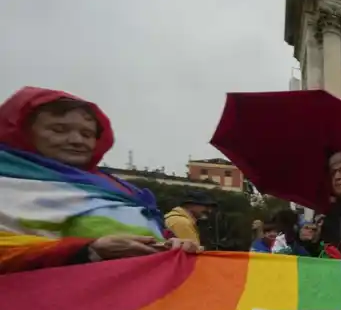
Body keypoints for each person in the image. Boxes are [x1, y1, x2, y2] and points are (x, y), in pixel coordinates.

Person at [0, 87, 199, 273]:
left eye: (87, 134)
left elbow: (150, 231)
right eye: (59, 129)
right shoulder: (6, 182)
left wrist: (173, 243)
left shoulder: (118, 187)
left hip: (140, 297)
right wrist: (88, 250)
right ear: (22, 131)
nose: (77, 140)